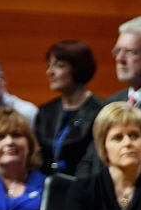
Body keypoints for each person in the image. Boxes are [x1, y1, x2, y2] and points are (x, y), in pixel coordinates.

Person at [75, 16, 141, 178]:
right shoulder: (112, 102)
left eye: (130, 52)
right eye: (117, 51)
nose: (119, 59)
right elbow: (91, 158)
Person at [34, 40, 103, 176]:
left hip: (83, 187)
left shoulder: (100, 111)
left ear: (78, 68)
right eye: (49, 65)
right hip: (47, 187)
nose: (50, 72)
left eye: (59, 66)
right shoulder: (45, 112)